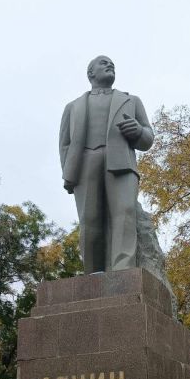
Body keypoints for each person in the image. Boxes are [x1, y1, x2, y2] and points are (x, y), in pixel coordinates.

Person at [59, 56, 154, 273]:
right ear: (90, 73)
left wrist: (138, 131)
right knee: (89, 219)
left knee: (125, 212)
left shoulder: (132, 101)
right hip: (85, 164)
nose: (110, 65)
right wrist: (68, 173)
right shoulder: (72, 107)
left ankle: (123, 270)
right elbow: (64, 144)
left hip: (121, 163)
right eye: (103, 63)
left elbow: (148, 138)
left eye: (112, 63)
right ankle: (93, 271)